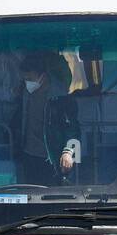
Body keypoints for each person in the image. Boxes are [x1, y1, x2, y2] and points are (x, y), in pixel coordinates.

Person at [18, 53, 78, 184]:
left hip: (51, 157)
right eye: (24, 79)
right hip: (28, 155)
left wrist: (68, 152)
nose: (27, 82)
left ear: (43, 76)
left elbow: (73, 130)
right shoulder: (25, 93)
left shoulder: (61, 97)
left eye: (29, 78)